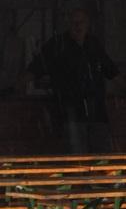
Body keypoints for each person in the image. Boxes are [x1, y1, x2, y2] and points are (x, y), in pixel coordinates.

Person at [28, 8, 120, 153]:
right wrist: (15, 86)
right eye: (74, 22)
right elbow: (34, 69)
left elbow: (112, 71)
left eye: (81, 22)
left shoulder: (93, 45)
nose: (77, 26)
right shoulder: (58, 45)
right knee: (77, 156)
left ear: (87, 24)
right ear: (68, 24)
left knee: (101, 156)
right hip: (71, 113)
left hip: (96, 113)